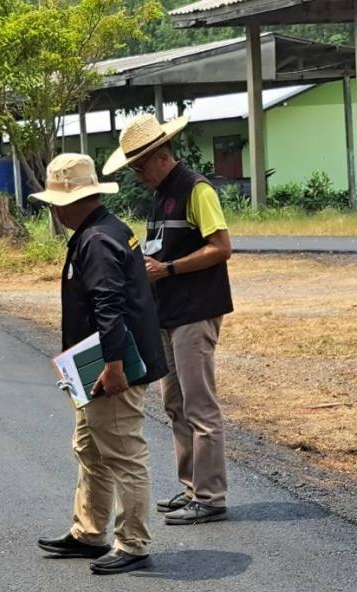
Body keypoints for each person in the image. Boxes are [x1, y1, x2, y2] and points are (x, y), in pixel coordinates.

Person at [31, 154, 168, 576]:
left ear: (76, 200)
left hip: (111, 364)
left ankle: (133, 542)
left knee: (123, 451)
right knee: (90, 447)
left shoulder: (97, 241)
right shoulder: (107, 231)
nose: (53, 209)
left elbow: (110, 307)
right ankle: (89, 531)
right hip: (93, 362)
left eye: (57, 200)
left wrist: (112, 367)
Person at [104, 114, 234, 525]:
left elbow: (222, 247)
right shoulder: (161, 195)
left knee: (200, 404)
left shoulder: (197, 189)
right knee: (174, 402)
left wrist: (169, 269)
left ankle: (211, 496)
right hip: (169, 311)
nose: (137, 175)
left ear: (161, 156)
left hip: (195, 309)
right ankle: (192, 487)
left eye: (140, 166)